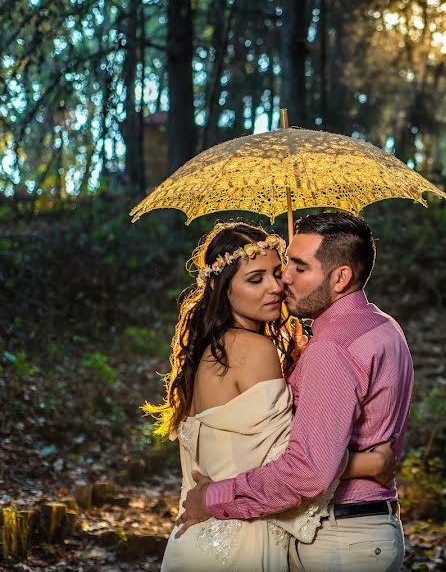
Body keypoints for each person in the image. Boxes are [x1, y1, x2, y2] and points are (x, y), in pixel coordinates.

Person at [145, 221, 394, 571]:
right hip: (239, 543)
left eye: (279, 272)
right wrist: (373, 464)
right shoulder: (254, 349)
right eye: (255, 279)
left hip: (204, 540)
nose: (277, 286)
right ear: (223, 289)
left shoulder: (212, 351)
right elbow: (294, 462)